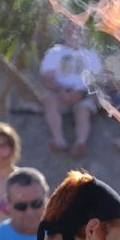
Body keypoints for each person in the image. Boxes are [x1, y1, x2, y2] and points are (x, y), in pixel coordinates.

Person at [38, 27, 101, 156]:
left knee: (83, 110)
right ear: (65, 32)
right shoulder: (54, 52)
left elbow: (97, 82)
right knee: (49, 100)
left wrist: (80, 94)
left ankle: (80, 143)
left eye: (77, 30)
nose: (74, 33)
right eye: (70, 30)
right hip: (59, 95)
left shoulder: (91, 55)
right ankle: (59, 139)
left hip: (83, 95)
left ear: (84, 34)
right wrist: (61, 91)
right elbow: (46, 78)